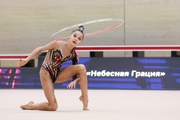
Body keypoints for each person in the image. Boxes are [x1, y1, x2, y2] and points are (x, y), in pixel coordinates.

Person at [16, 26, 89, 111]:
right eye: (75, 36)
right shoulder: (57, 44)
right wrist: (27, 59)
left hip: (57, 74)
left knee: (82, 68)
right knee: (53, 106)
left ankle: (84, 98)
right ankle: (31, 106)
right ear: (70, 36)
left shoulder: (73, 54)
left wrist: (74, 80)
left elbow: (75, 68)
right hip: (45, 73)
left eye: (79, 38)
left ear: (80, 42)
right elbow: (40, 49)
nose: (76, 39)